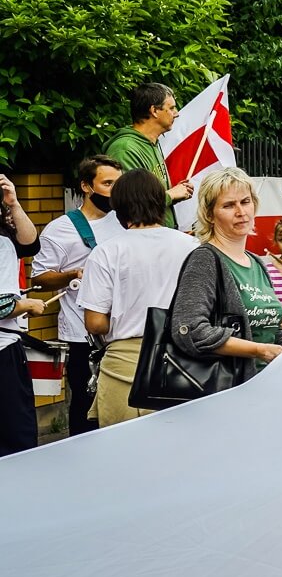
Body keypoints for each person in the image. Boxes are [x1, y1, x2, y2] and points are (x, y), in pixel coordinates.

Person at [75, 170, 195, 427]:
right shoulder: (192, 247)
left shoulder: (106, 252)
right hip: (184, 361)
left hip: (125, 364)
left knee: (125, 446)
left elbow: (95, 323)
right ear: (160, 200)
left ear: (118, 207)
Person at [168, 167, 282, 388]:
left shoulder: (257, 262)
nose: (241, 211)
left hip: (269, 385)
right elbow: (189, 329)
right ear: (209, 214)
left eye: (245, 201)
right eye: (229, 205)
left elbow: (268, 328)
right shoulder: (205, 259)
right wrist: (257, 350)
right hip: (229, 390)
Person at [29, 156, 122, 436]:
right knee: (85, 406)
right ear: (86, 186)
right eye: (107, 183)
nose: (114, 191)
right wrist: (72, 274)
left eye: (118, 184)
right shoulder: (61, 228)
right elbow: (39, 278)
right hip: (83, 336)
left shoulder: (125, 219)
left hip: (121, 330)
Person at [103, 83, 193, 228]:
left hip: (160, 236)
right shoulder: (125, 149)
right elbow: (132, 203)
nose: (176, 113)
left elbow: (151, 197)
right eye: (171, 108)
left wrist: (176, 195)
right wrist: (171, 195)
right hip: (142, 239)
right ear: (154, 111)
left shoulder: (153, 143)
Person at [0, 172, 45, 455]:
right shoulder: (1, 244)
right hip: (3, 350)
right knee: (17, 440)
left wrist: (14, 204)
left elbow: (30, 244)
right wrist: (29, 305)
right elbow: (2, 305)